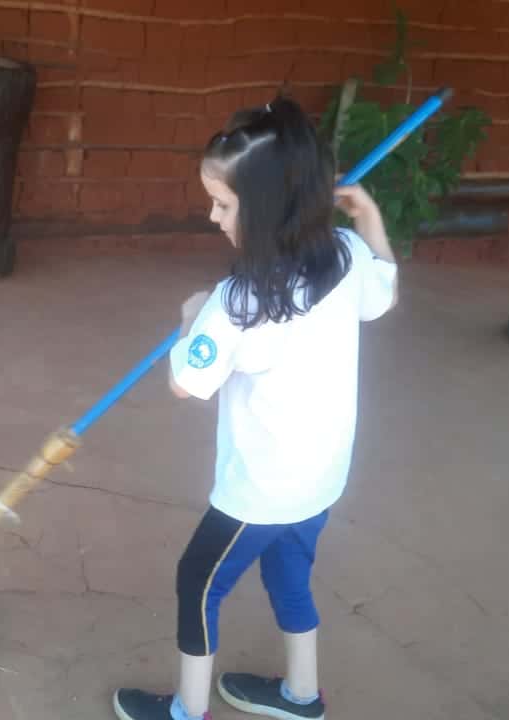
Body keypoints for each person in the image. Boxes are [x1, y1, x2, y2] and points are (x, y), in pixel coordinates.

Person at [111, 95, 398, 720]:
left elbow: (186, 383)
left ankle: (188, 710)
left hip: (261, 490)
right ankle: (301, 695)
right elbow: (384, 287)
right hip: (320, 477)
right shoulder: (348, 254)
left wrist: (191, 322)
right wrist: (370, 214)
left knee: (197, 581)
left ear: (266, 207)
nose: (212, 217)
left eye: (223, 204)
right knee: (289, 574)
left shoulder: (239, 300)